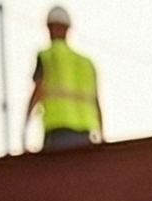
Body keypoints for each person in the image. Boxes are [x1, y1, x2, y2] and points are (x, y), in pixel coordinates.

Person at [22, 7, 103, 153]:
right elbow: (96, 102)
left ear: (50, 27)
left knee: (53, 173)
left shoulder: (47, 56)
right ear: (68, 28)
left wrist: (25, 127)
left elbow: (38, 92)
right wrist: (102, 135)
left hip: (58, 130)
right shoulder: (86, 63)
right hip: (85, 133)